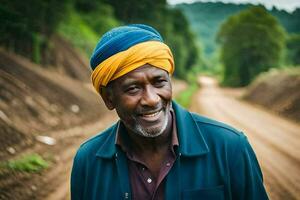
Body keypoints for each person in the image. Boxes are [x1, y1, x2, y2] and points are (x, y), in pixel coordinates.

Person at [71, 24, 268, 200]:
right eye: (133, 88)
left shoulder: (229, 147)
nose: (152, 99)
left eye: (159, 82)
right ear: (109, 98)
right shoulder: (88, 161)